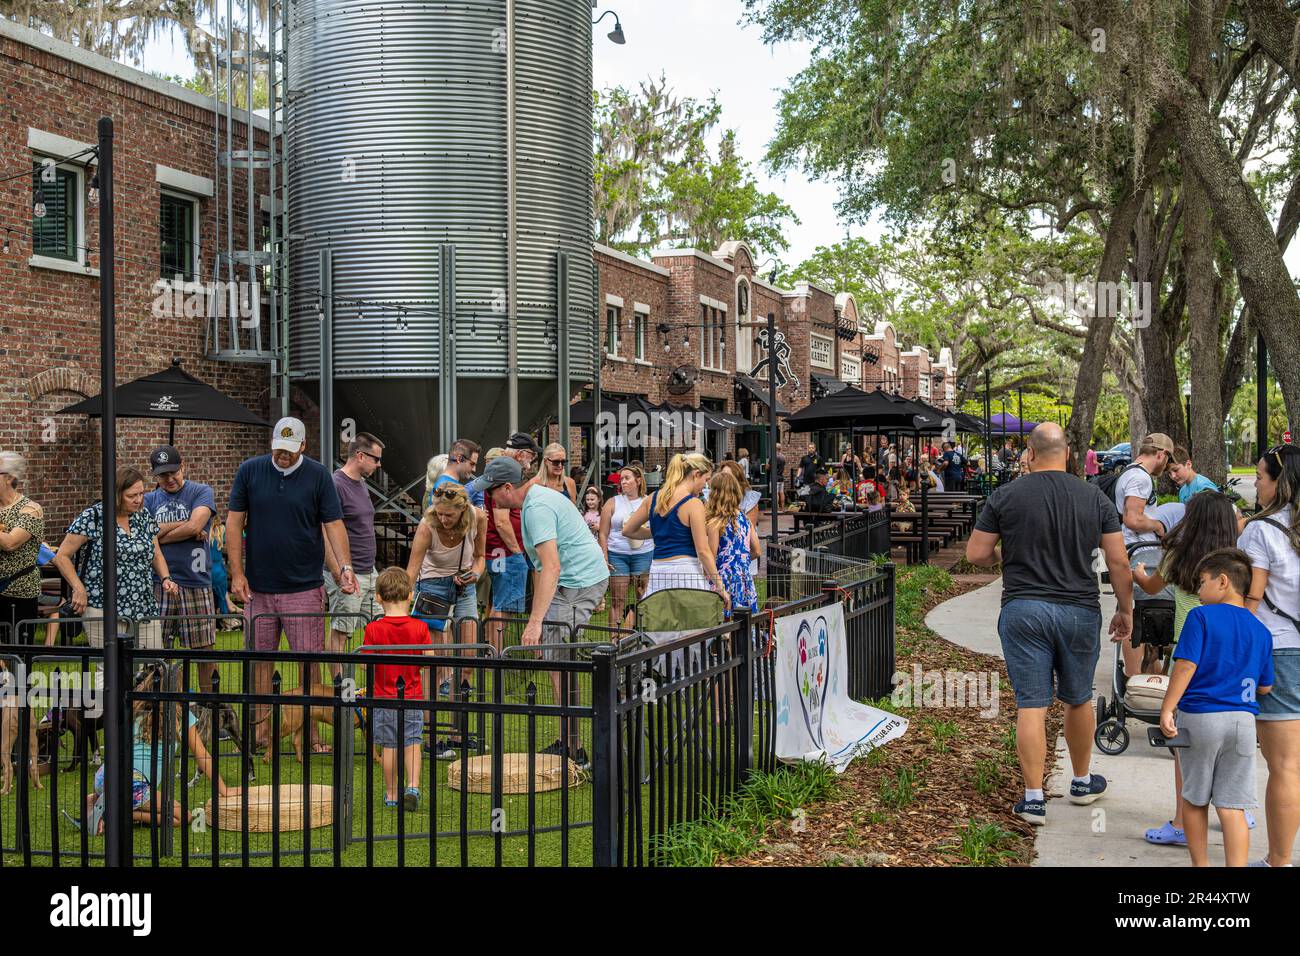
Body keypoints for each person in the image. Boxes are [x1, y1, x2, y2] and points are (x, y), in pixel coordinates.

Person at [965, 423, 1134, 826]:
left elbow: (976, 554)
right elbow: (1119, 562)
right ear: (1069, 451)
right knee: (1078, 698)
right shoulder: (1094, 497)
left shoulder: (1005, 496)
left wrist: (1001, 560)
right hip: (1079, 610)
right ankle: (1080, 781)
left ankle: (1034, 799)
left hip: (1024, 609)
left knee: (1032, 704)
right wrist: (1126, 609)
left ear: (1030, 452)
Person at [470, 456, 609, 767]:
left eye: (491, 491)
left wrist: (534, 624)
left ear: (507, 488)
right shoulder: (534, 500)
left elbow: (552, 566)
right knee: (555, 660)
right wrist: (539, 622)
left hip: (579, 582)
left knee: (561, 662)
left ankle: (577, 751)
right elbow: (541, 567)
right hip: (572, 581)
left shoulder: (536, 509)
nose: (489, 499)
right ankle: (569, 741)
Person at [227, 417, 353, 755]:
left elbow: (333, 524)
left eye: (289, 450)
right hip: (259, 589)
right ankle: (260, 734)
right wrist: (236, 574)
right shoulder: (250, 471)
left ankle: (308, 735)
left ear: (303, 446)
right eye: (278, 450)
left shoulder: (318, 475)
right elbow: (234, 522)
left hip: (304, 588)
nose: (282, 456)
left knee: (308, 664)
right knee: (258, 662)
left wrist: (344, 567)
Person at [1132, 492, 1242, 846]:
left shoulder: (1178, 556)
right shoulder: (1239, 563)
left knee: (1185, 742)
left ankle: (1182, 822)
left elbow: (1151, 586)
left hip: (1189, 652)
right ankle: (1236, 811)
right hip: (1231, 655)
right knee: (1231, 737)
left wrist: (1138, 573)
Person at [1159, 548, 1274, 867]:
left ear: (1223, 581)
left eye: (1201, 582)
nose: (1197, 590)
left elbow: (1185, 666)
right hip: (1242, 722)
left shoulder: (1201, 616)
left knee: (1195, 800)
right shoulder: (1261, 631)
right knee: (1233, 806)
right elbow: (1266, 685)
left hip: (1201, 717)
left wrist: (1168, 708)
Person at [81, 667, 239, 834]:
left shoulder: (135, 707)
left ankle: (99, 799)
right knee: (183, 817)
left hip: (103, 776)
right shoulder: (180, 715)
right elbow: (202, 755)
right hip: (133, 785)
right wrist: (224, 790)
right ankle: (119, 813)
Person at [1238, 442, 1300, 867]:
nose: (1255, 484)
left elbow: (1252, 601)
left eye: (1260, 477)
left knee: (1285, 766)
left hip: (1280, 654)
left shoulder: (1262, 530)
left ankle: (1278, 861)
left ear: (1280, 483)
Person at [55, 467, 180, 650]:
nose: (138, 500)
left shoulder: (143, 516)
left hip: (143, 603)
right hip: (103, 605)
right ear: (116, 494)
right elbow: (62, 556)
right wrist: (78, 587)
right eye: (132, 496)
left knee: (153, 664)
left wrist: (166, 578)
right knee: (109, 667)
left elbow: (156, 553)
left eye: (141, 494)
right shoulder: (94, 516)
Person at [405, 482, 485, 722]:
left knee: (468, 659)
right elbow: (412, 571)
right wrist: (401, 606)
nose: (443, 519)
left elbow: (480, 557)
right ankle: (429, 731)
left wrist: (476, 574)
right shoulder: (427, 527)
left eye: (449, 514)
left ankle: (456, 728)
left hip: (465, 588)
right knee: (435, 662)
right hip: (431, 588)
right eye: (439, 513)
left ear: (462, 510)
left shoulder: (478, 518)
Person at [143, 445, 218, 690]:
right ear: (155, 475)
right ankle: (159, 710)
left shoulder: (201, 491)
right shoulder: (148, 499)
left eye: (174, 472)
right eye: (163, 475)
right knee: (157, 651)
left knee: (204, 650)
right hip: (159, 582)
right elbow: (144, 534)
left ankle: (211, 707)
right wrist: (184, 525)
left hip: (196, 581)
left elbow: (195, 526)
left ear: (182, 466)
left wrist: (157, 536)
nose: (170, 479)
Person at [362, 566, 433, 811]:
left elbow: (365, 665)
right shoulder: (420, 628)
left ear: (379, 597)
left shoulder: (372, 629)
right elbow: (429, 659)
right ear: (410, 595)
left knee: (389, 746)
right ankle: (412, 786)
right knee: (412, 742)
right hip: (412, 696)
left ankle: (392, 793)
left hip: (383, 697)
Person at [622, 452, 728, 608]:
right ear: (696, 474)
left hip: (658, 570)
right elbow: (703, 551)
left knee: (661, 626)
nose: (705, 486)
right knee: (693, 628)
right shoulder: (693, 503)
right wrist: (720, 586)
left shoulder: (653, 498)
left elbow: (628, 530)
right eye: (705, 480)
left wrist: (657, 532)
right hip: (686, 570)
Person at [323, 433, 383, 682]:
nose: (379, 464)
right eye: (376, 459)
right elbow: (325, 530)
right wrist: (339, 573)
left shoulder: (361, 484)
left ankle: (375, 679)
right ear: (360, 455)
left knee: (381, 625)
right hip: (348, 574)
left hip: (369, 571)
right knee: (341, 631)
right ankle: (341, 686)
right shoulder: (335, 484)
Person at [483, 448, 528, 653]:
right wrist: (517, 551)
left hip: (499, 552)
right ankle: (496, 653)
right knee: (503, 606)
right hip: (505, 553)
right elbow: (501, 522)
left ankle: (492, 649)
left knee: (499, 603)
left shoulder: (493, 485)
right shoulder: (499, 488)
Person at [600, 466, 654, 631]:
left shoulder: (648, 501)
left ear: (638, 480)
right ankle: (615, 639)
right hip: (618, 555)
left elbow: (656, 529)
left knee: (643, 597)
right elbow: (603, 533)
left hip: (644, 554)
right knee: (617, 599)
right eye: (621, 479)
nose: (623, 482)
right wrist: (605, 557)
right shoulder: (612, 502)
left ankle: (641, 636)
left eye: (627, 478)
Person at [0, 451, 44, 642]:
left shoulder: (31, 509)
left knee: (18, 655)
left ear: (10, 478)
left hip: (18, 593)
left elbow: (10, 543)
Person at [706, 470, 760, 615]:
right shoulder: (744, 518)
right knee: (745, 621)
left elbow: (711, 555)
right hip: (743, 577)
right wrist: (741, 561)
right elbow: (757, 550)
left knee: (723, 624)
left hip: (722, 579)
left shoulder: (715, 522)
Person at [426, 439, 482, 511]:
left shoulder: (444, 484)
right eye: (472, 464)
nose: (474, 469)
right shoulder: (447, 487)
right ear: (460, 459)